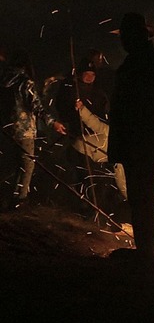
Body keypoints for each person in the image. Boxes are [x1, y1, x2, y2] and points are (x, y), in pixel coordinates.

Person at [108, 12, 154, 269]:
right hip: (138, 138)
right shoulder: (142, 59)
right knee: (140, 197)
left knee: (142, 197)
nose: (123, 41)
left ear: (137, 35)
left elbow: (144, 104)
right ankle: (146, 250)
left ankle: (147, 254)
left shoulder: (144, 61)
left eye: (126, 36)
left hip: (138, 138)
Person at [0, 49, 66, 209]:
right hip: (24, 131)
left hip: (7, 129)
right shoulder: (25, 81)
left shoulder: (4, 79)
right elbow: (36, 106)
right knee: (27, 165)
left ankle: (7, 197)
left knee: (10, 164)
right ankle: (19, 200)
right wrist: (53, 123)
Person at [55, 57, 110, 214]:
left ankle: (92, 206)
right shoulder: (70, 89)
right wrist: (72, 114)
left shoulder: (98, 94)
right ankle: (79, 204)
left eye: (92, 75)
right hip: (77, 138)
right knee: (80, 173)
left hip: (96, 142)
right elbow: (62, 107)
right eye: (87, 73)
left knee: (96, 177)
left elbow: (99, 119)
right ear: (80, 74)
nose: (89, 77)